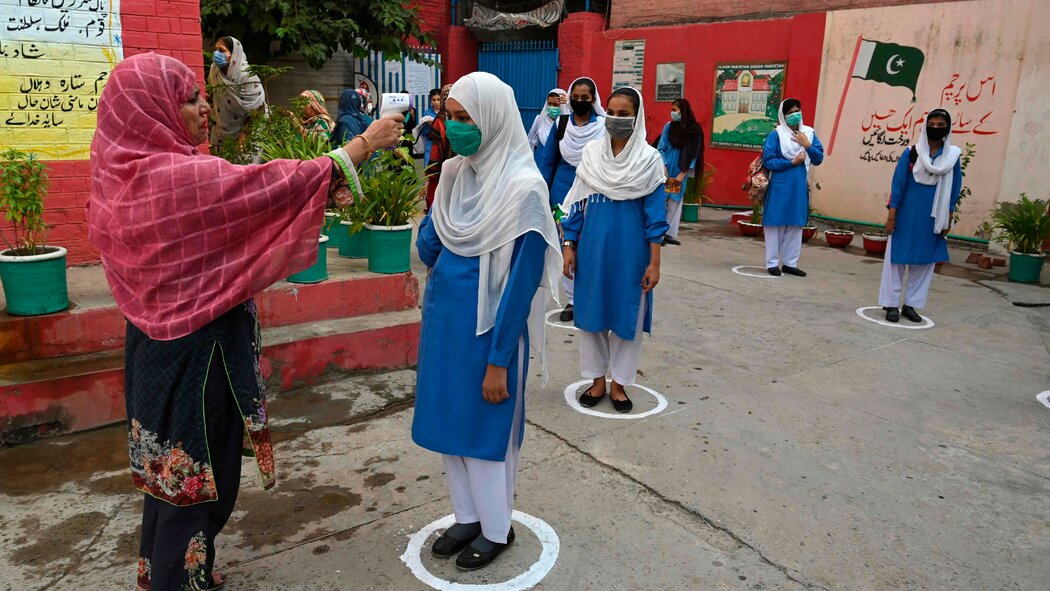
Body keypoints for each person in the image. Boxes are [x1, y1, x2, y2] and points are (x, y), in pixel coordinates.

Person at [86, 53, 402, 591]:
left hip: (150, 351)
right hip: (198, 359)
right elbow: (276, 187)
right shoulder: (182, 178)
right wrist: (365, 143)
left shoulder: (117, 175)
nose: (205, 107)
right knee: (200, 480)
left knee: (170, 474)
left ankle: (170, 571)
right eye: (189, 99)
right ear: (150, 111)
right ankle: (177, 582)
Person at [413, 72, 561, 571]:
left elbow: (521, 287)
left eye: (464, 119)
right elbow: (428, 249)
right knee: (449, 429)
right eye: (449, 118)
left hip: (487, 335)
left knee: (485, 435)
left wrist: (499, 361)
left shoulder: (525, 190)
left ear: (493, 119)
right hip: (444, 327)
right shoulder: (456, 175)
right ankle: (468, 515)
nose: (454, 128)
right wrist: (439, 193)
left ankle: (497, 528)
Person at [561, 87, 668, 413]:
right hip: (592, 252)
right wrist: (569, 244)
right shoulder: (591, 155)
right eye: (612, 112)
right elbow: (577, 205)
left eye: (624, 114)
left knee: (626, 319)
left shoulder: (649, 161)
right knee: (591, 318)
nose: (616, 119)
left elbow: (656, 218)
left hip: (631, 257)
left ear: (637, 118)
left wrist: (655, 262)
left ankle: (619, 384)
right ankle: (596, 381)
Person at [879, 108, 961, 323]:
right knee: (896, 259)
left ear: (948, 128)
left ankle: (911, 305)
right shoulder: (912, 153)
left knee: (924, 262)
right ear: (925, 126)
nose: (935, 128)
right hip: (906, 215)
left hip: (933, 218)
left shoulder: (952, 157)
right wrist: (891, 216)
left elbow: (954, 190)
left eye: (940, 125)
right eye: (931, 124)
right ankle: (890, 303)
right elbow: (898, 186)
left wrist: (948, 218)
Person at [535, 77, 606, 322]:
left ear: (594, 100)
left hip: (594, 194)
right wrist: (543, 189)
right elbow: (547, 160)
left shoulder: (603, 126)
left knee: (590, 244)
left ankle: (593, 295)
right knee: (567, 244)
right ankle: (573, 300)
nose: (579, 102)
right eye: (575, 97)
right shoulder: (561, 124)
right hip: (562, 196)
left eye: (585, 98)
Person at [761, 98, 824, 277]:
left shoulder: (809, 133)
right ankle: (772, 263)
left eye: (797, 110)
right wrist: (791, 162)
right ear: (783, 115)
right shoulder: (777, 134)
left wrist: (807, 145)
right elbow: (769, 160)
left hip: (798, 187)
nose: (795, 115)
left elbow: (818, 158)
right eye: (790, 112)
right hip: (780, 185)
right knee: (775, 224)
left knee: (795, 225)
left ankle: (790, 263)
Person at [657, 98, 704, 246]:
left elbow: (694, 154)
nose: (673, 113)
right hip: (666, 169)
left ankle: (669, 233)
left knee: (675, 202)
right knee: (661, 200)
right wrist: (663, 166)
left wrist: (683, 174)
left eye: (675, 110)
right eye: (672, 110)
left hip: (680, 171)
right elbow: (661, 147)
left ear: (684, 111)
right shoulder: (669, 127)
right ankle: (659, 234)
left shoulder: (695, 131)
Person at [207, 36, 265, 149]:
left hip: (248, 128)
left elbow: (258, 109)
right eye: (216, 50)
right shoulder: (214, 71)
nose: (217, 54)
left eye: (222, 50)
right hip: (222, 129)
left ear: (234, 54)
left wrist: (245, 135)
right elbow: (215, 96)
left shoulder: (247, 76)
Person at [425, 84, 455, 212]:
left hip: (443, 171)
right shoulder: (465, 117)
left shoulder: (440, 120)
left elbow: (436, 152)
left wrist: (429, 176)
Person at [419, 88, 441, 169]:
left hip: (442, 143)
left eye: (438, 99)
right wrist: (428, 125)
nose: (436, 102)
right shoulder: (427, 113)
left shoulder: (446, 112)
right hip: (430, 143)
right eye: (433, 100)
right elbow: (423, 133)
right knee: (428, 168)